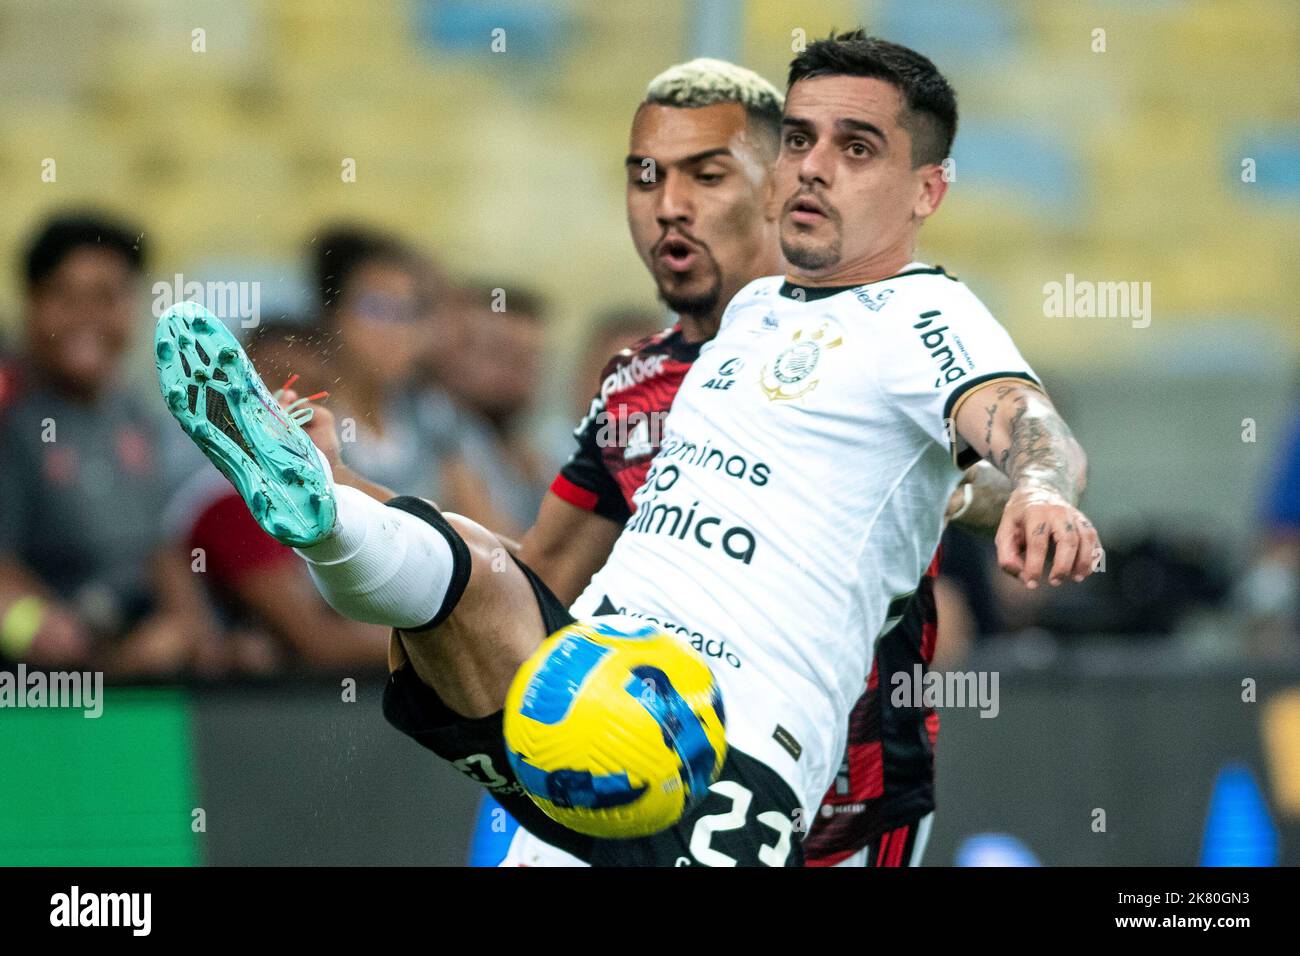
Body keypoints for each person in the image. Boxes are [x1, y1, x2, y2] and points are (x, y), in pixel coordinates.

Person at [156, 31, 1100, 866]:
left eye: (855, 149)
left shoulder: (925, 312)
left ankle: (337, 522)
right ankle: (325, 505)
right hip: (595, 691)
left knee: (478, 577)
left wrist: (1041, 488)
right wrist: (346, 473)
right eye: (803, 141)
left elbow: (1016, 416)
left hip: (760, 756)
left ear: (928, 189)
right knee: (481, 575)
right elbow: (544, 570)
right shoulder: (727, 335)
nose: (813, 168)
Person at [0, 212, 213, 674]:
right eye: (67, 296)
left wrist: (190, 629)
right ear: (32, 303)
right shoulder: (9, 410)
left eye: (107, 298)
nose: (87, 319)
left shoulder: (137, 414)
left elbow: (159, 548)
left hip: (129, 652)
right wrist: (39, 626)